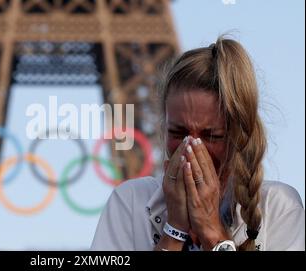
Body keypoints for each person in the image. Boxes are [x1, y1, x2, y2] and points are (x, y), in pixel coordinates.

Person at [90, 36, 305, 251]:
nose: (191, 147)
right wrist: (174, 230)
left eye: (211, 136)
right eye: (178, 133)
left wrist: (212, 232)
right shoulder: (130, 201)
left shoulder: (278, 207)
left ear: (237, 135)